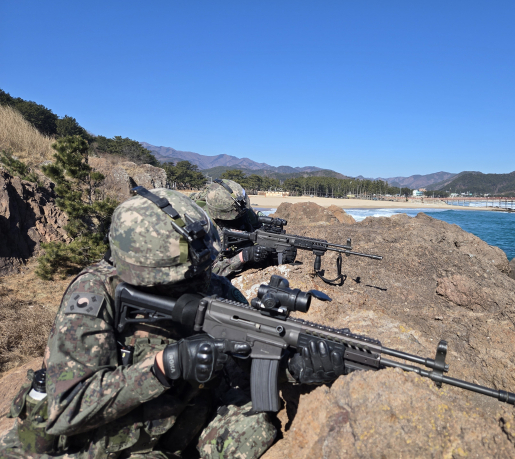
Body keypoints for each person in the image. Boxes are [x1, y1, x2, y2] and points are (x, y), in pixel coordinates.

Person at [0, 188, 344, 459]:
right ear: (139, 272)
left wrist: (296, 367)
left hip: (180, 420)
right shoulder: (94, 296)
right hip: (101, 437)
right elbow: (65, 408)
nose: (198, 283)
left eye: (200, 270)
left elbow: (252, 352)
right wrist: (164, 366)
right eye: (181, 278)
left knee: (252, 432)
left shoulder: (211, 287)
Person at [191, 179, 295, 278]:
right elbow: (205, 273)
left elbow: (259, 229)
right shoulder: (200, 225)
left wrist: (276, 252)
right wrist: (242, 257)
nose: (241, 214)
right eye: (236, 214)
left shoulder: (242, 208)